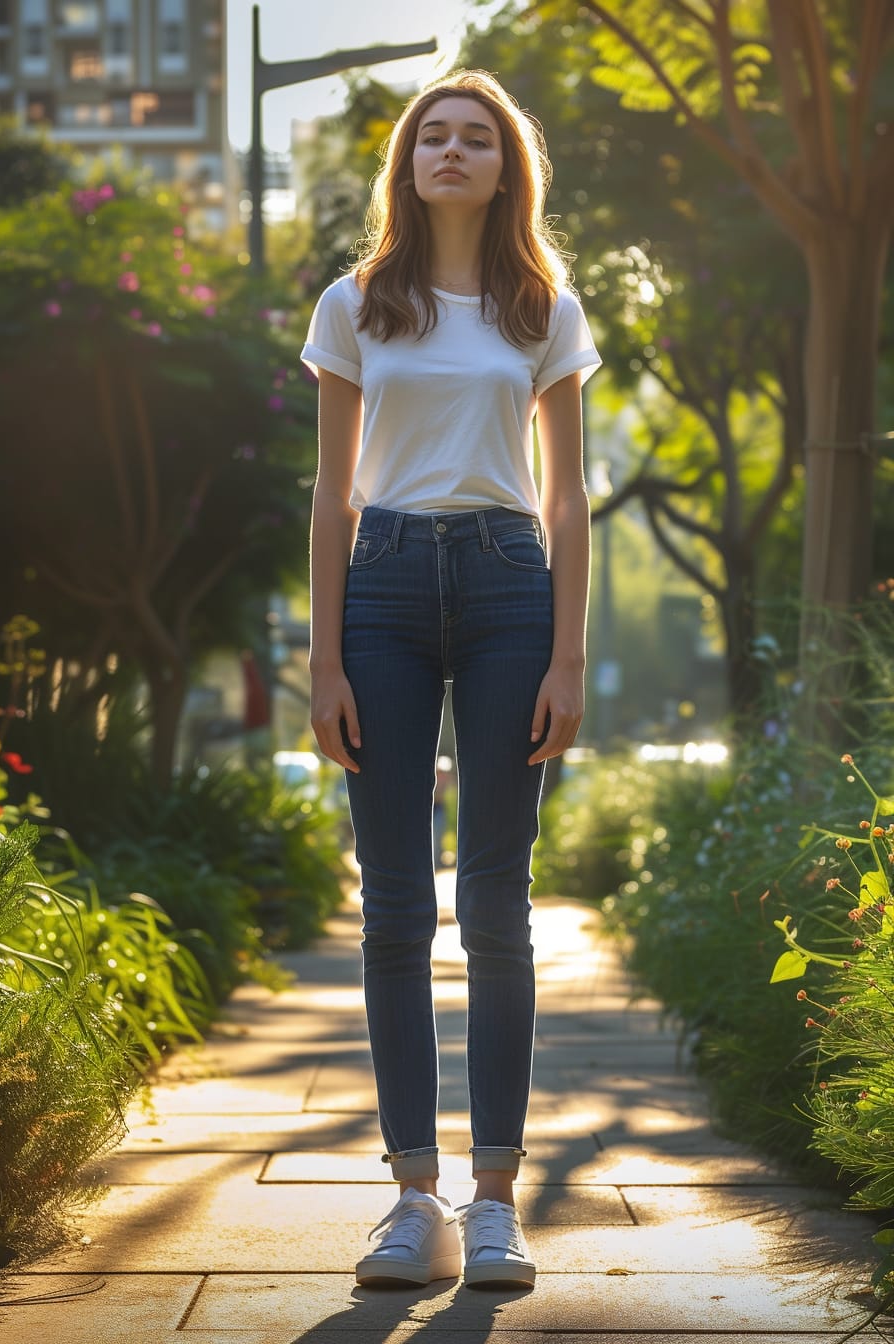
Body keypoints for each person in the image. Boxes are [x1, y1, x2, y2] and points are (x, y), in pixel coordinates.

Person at [301, 68, 601, 1291]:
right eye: (435, 134)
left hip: (504, 588)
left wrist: (570, 655)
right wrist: (319, 658)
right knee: (391, 903)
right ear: (407, 162)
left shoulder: (542, 309)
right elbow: (328, 495)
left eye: (477, 136)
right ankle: (409, 1196)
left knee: (492, 900)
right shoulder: (357, 302)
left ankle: (492, 1200)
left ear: (504, 164)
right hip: (377, 589)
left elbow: (571, 496)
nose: (454, 151)